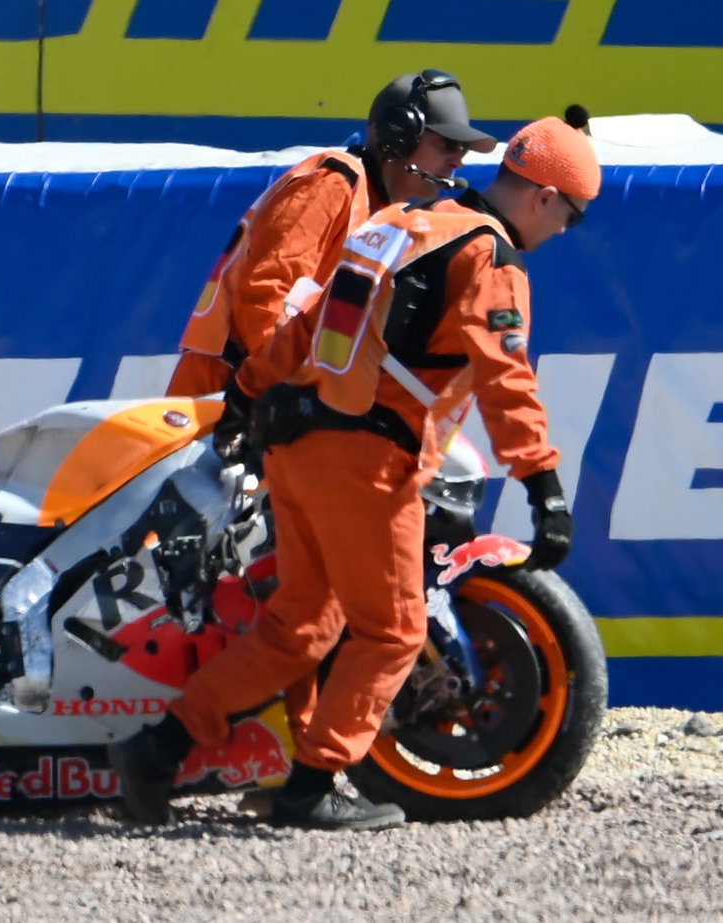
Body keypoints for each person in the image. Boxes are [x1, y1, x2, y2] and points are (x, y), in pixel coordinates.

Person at [111, 112, 598, 830]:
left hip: (292, 444)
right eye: (572, 217)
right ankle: (309, 789)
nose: (564, 231)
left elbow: (305, 323)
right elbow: (506, 378)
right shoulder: (491, 258)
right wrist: (544, 487)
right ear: (545, 196)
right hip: (367, 462)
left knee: (302, 626)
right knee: (394, 631)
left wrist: (247, 395)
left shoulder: (398, 221)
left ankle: (157, 749)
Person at [167, 69, 497, 398]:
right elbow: (267, 295)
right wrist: (292, 389)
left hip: (258, 390)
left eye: (463, 150)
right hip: (223, 391)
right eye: (447, 144)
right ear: (399, 135)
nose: (457, 161)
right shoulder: (332, 183)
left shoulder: (379, 209)